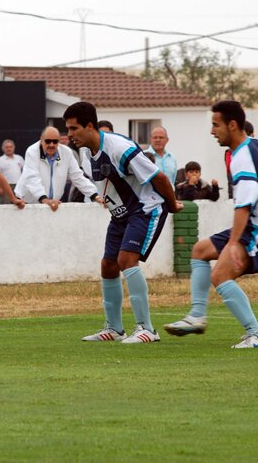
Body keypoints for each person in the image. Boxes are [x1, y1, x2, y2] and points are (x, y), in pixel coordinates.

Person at [164, 100, 258, 348]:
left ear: (232, 125)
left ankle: (256, 335)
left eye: (216, 125)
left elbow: (243, 205)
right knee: (200, 251)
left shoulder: (241, 158)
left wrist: (234, 244)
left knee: (220, 275)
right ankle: (197, 316)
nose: (212, 131)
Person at [64, 102, 183, 344]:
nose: (69, 134)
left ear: (89, 126)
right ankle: (115, 329)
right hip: (120, 215)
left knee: (126, 260)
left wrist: (172, 205)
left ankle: (147, 328)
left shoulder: (120, 148)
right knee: (108, 265)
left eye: (73, 128)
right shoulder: (88, 152)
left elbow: (158, 177)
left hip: (145, 209)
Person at [14, 126, 100, 211]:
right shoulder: (32, 152)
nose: (51, 145)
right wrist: (44, 199)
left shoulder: (66, 152)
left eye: (55, 141)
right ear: (41, 139)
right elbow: (32, 178)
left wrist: (95, 195)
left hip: (52, 203)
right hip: (27, 201)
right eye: (48, 141)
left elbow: (77, 177)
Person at [225, 122, 254, 199]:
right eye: (251, 134)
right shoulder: (230, 152)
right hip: (236, 190)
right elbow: (230, 170)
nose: (253, 136)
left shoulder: (253, 150)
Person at [0, 139, 25, 205]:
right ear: (3, 149)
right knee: (6, 205)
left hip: (18, 186)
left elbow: (25, 171)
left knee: (20, 204)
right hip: (6, 186)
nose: (9, 149)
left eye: (11, 147)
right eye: (7, 147)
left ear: (14, 147)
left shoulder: (19, 158)